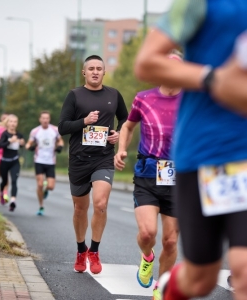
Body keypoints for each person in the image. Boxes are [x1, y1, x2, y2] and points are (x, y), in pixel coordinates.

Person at [134, 1, 247, 299]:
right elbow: (146, 62)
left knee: (244, 270)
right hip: (211, 154)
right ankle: (168, 288)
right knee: (200, 279)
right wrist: (212, 79)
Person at [115, 51, 182, 300]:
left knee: (171, 241)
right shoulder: (144, 98)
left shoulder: (192, 101)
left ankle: (161, 287)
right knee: (147, 234)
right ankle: (147, 257)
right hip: (147, 173)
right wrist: (121, 149)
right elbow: (128, 126)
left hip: (179, 177)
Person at [58, 55, 128, 274]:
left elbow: (126, 119)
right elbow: (62, 127)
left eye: (99, 68)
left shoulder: (114, 95)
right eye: (91, 68)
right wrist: (84, 122)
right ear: (84, 73)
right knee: (80, 209)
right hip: (79, 159)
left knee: (100, 204)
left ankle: (94, 251)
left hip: (103, 159)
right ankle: (81, 249)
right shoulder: (74, 95)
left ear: (104, 72)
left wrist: (118, 133)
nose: (95, 72)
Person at [25, 111, 64, 216]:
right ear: (40, 119)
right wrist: (30, 147)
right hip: (39, 160)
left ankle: (46, 190)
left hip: (50, 161)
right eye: (43, 118)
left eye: (47, 118)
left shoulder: (55, 130)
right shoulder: (35, 131)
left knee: (51, 186)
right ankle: (41, 206)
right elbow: (28, 144)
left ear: (49, 119)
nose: (45, 120)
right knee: (40, 184)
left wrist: (60, 147)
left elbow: (60, 141)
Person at [0, 114, 24, 212]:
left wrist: (22, 143)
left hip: (15, 161)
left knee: (14, 180)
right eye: (11, 121)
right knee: (4, 181)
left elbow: (21, 145)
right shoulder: (5, 134)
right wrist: (10, 141)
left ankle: (13, 201)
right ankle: (1, 192)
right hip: (4, 161)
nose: (13, 123)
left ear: (17, 123)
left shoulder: (19, 134)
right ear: (7, 123)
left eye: (15, 122)